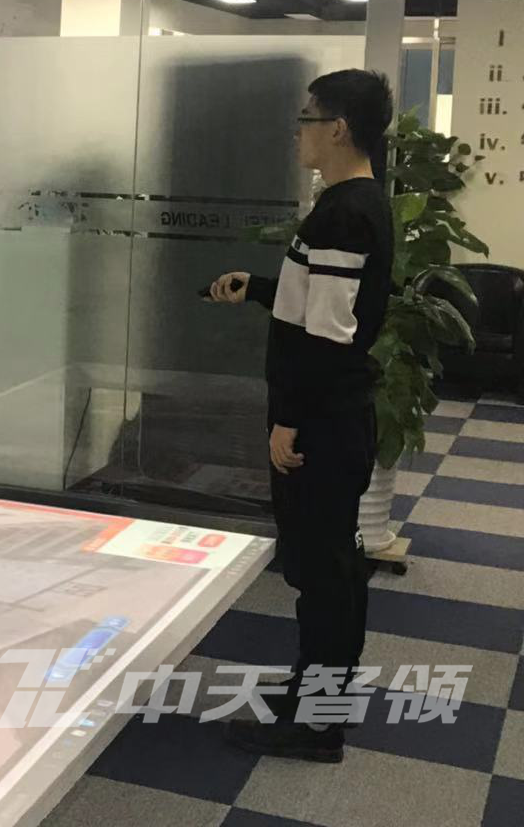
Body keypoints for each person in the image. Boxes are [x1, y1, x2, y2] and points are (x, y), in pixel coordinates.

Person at [207, 69, 395, 763]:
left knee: (324, 574)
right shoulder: (354, 203)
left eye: (307, 118)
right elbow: (322, 304)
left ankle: (318, 725)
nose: (298, 131)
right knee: (329, 569)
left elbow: (328, 339)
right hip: (333, 415)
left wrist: (289, 418)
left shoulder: (345, 212)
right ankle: (319, 691)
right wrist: (261, 287)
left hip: (322, 421)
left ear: (338, 129)